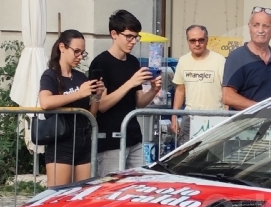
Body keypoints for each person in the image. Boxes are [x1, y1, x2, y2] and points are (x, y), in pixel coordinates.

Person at [88, 10, 156, 173]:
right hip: (110, 139)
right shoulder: (100, 63)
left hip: (133, 137)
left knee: (139, 186)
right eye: (129, 36)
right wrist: (130, 82)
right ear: (114, 34)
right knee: (111, 189)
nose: (133, 41)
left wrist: (154, 90)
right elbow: (101, 105)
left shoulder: (133, 61)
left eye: (136, 37)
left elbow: (138, 102)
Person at [40, 29, 105, 185]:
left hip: (82, 140)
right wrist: (79, 93)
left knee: (81, 195)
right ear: (62, 47)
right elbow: (45, 102)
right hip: (61, 140)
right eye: (76, 51)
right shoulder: (50, 75)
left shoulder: (80, 77)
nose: (80, 56)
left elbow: (91, 114)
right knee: (58, 195)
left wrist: (97, 95)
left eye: (83, 53)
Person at [222, 8, 271, 109]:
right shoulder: (237, 57)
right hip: (246, 123)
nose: (260, 30)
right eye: (256, 25)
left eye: (266, 26)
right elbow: (227, 96)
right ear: (249, 27)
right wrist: (261, 109)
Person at [170, 24, 226, 141]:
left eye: (201, 40)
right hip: (190, 118)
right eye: (192, 40)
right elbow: (180, 90)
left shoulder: (220, 60)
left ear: (207, 40)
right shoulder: (183, 61)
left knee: (213, 156)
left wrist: (226, 116)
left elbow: (226, 90)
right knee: (186, 156)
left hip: (215, 117)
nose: (197, 44)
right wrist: (174, 116)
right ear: (187, 41)